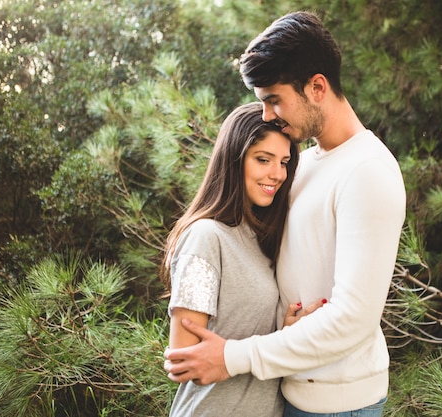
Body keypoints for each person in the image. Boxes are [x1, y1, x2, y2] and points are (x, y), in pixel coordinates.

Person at [164, 11, 406, 417]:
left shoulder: (369, 171)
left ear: (316, 87)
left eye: (273, 100)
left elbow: (352, 319)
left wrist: (235, 356)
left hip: (338, 403)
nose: (266, 116)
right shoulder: (302, 163)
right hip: (284, 394)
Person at [162, 102, 301, 416]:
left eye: (284, 162)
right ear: (233, 160)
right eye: (263, 159)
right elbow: (184, 361)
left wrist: (285, 335)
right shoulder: (206, 237)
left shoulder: (259, 237)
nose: (277, 174)